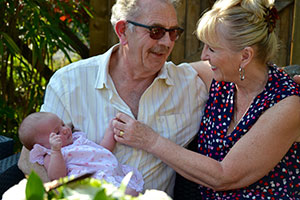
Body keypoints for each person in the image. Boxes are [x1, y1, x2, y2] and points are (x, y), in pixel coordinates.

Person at [111, 0, 300, 199]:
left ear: (245, 56)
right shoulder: (220, 79)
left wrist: (149, 140)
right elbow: (157, 71)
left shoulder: (287, 105)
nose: (203, 56)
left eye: (212, 49)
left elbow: (223, 176)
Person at [18, 0, 209, 196]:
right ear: (122, 31)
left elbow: (232, 65)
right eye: (156, 31)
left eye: (173, 32)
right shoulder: (68, 83)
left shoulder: (189, 85)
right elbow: (32, 156)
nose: (167, 42)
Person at [18, 112, 143, 196]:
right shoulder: (51, 154)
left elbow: (102, 150)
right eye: (57, 132)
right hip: (92, 183)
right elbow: (57, 177)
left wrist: (110, 131)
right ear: (42, 146)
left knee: (132, 192)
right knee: (129, 194)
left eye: (62, 124)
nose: (65, 129)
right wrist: (56, 150)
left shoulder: (78, 139)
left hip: (111, 174)